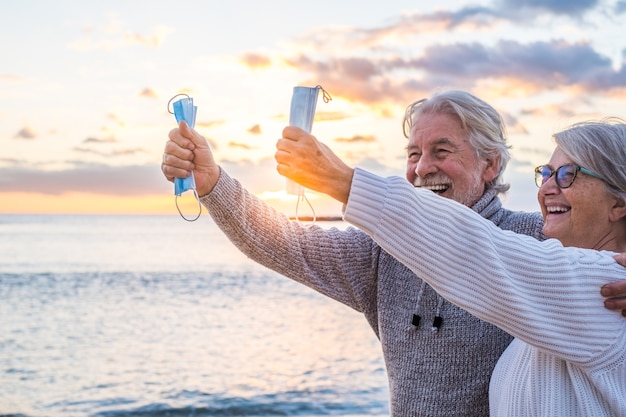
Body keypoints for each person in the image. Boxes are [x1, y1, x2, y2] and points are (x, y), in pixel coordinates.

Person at [161, 90, 626, 416]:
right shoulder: (382, 255)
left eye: (441, 150)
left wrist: (340, 180)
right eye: (412, 154)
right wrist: (213, 185)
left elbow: (485, 253)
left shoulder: (541, 241)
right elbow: (284, 243)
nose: (423, 168)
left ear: (490, 164)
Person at [275, 118, 626, 415]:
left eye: (568, 174)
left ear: (619, 203)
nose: (548, 188)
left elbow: (474, 251)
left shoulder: (600, 286)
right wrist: (217, 186)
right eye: (546, 173)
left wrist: (340, 181)